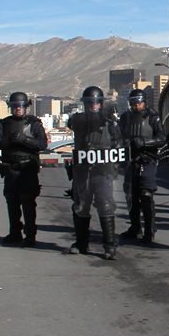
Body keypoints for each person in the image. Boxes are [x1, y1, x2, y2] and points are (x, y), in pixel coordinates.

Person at [65, 86, 123, 259]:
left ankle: (110, 246)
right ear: (85, 104)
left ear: (101, 103)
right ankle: (81, 243)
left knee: (106, 205)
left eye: (97, 102)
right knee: (81, 206)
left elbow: (119, 143)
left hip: (103, 170)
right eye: (90, 102)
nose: (93, 105)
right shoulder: (78, 119)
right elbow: (72, 123)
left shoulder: (109, 122)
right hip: (83, 170)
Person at [0, 91, 48, 246]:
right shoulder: (4, 123)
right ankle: (14, 233)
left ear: (26, 106)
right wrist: (8, 142)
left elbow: (42, 144)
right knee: (12, 202)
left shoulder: (34, 123)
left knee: (28, 202)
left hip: (27, 168)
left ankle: (30, 235)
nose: (18, 109)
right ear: (11, 107)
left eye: (21, 106)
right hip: (10, 168)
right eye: (15, 106)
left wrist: (24, 140)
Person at [118, 88, 166, 243]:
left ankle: (150, 229)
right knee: (131, 194)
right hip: (130, 159)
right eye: (133, 103)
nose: (136, 106)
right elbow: (118, 135)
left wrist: (145, 142)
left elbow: (162, 138)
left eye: (138, 103)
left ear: (144, 102)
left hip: (147, 158)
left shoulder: (152, 117)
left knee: (146, 194)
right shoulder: (125, 117)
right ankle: (135, 227)